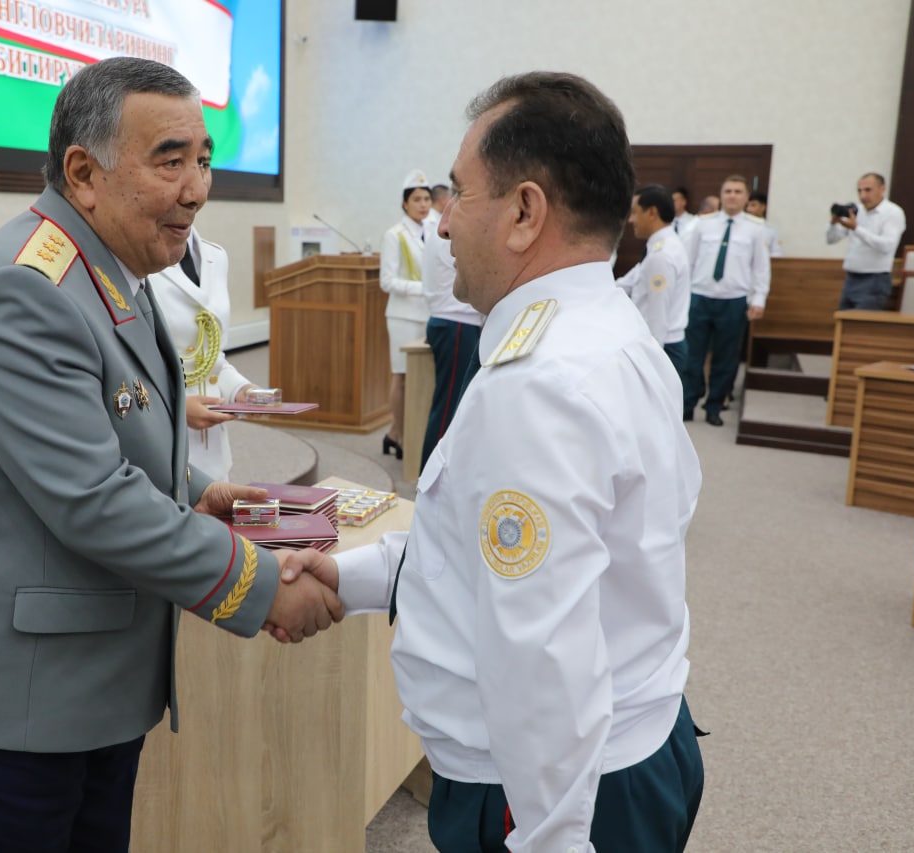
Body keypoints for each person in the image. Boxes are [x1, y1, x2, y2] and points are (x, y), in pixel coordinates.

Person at [0, 58, 343, 853]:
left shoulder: (111, 268)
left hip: (96, 689)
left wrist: (193, 489)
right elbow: (92, 497)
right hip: (13, 702)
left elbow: (113, 427)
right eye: (170, 160)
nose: (197, 190)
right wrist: (263, 586)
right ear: (83, 173)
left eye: (203, 159)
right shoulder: (24, 289)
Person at [279, 71, 704, 853]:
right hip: (620, 753)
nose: (442, 223)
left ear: (524, 212)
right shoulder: (605, 330)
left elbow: (544, 656)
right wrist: (348, 574)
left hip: (551, 793)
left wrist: (552, 840)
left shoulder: (539, 384)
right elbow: (481, 550)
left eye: (459, 193)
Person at [148, 226, 254, 480]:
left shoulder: (216, 256)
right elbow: (125, 363)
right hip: (161, 442)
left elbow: (212, 357)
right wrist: (176, 409)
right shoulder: (141, 254)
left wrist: (240, 389)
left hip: (213, 448)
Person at [682, 175, 771, 426]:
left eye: (738, 191)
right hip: (700, 297)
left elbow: (760, 268)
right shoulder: (702, 224)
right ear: (721, 195)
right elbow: (687, 261)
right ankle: (688, 403)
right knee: (693, 356)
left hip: (733, 301)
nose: (732, 195)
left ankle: (714, 406)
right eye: (728, 191)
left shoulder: (756, 228)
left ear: (746, 197)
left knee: (726, 358)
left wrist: (759, 299)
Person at [419, 195, 483, 470]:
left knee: (448, 405)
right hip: (457, 322)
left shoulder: (434, 232)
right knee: (448, 409)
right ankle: (429, 476)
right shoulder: (450, 232)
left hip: (447, 320)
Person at [378, 169, 434, 460]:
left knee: (423, 378)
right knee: (401, 377)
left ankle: (395, 433)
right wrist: (423, 288)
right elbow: (387, 281)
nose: (423, 204)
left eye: (427, 199)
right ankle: (400, 436)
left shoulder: (434, 230)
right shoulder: (395, 235)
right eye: (417, 199)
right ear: (405, 203)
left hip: (430, 314)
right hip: (403, 316)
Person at [615, 183, 691, 381]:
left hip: (662, 348)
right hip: (662, 344)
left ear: (652, 213)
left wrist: (652, 360)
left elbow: (658, 314)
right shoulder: (660, 247)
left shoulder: (661, 255)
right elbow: (627, 282)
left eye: (634, 212)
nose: (631, 220)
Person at [826, 172, 907, 309]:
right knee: (843, 320)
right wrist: (833, 223)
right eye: (859, 191)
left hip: (875, 280)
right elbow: (831, 239)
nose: (862, 196)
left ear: (882, 189)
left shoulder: (893, 213)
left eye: (868, 190)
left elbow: (887, 245)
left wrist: (856, 229)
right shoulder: (857, 211)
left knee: (860, 322)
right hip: (851, 278)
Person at [745, 191, 783, 257]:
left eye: (753, 205)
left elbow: (777, 252)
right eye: (747, 206)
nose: (749, 209)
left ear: (763, 207)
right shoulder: (740, 227)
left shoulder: (771, 230)